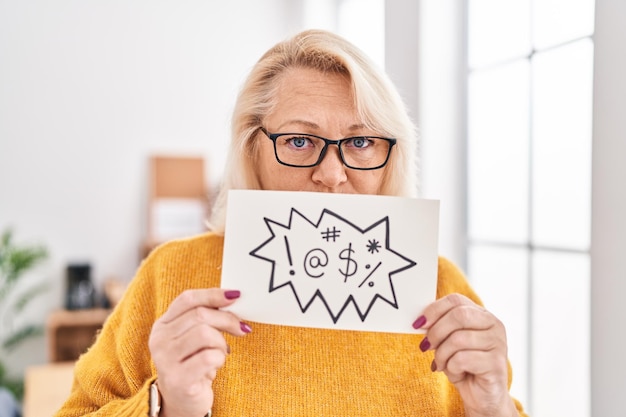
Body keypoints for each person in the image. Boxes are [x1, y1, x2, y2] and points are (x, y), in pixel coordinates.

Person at [54, 29, 527, 417]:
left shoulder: (439, 290)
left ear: (391, 155)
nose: (332, 174)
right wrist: (165, 405)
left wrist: (494, 407)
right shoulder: (172, 276)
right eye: (300, 141)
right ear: (251, 148)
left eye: (361, 143)